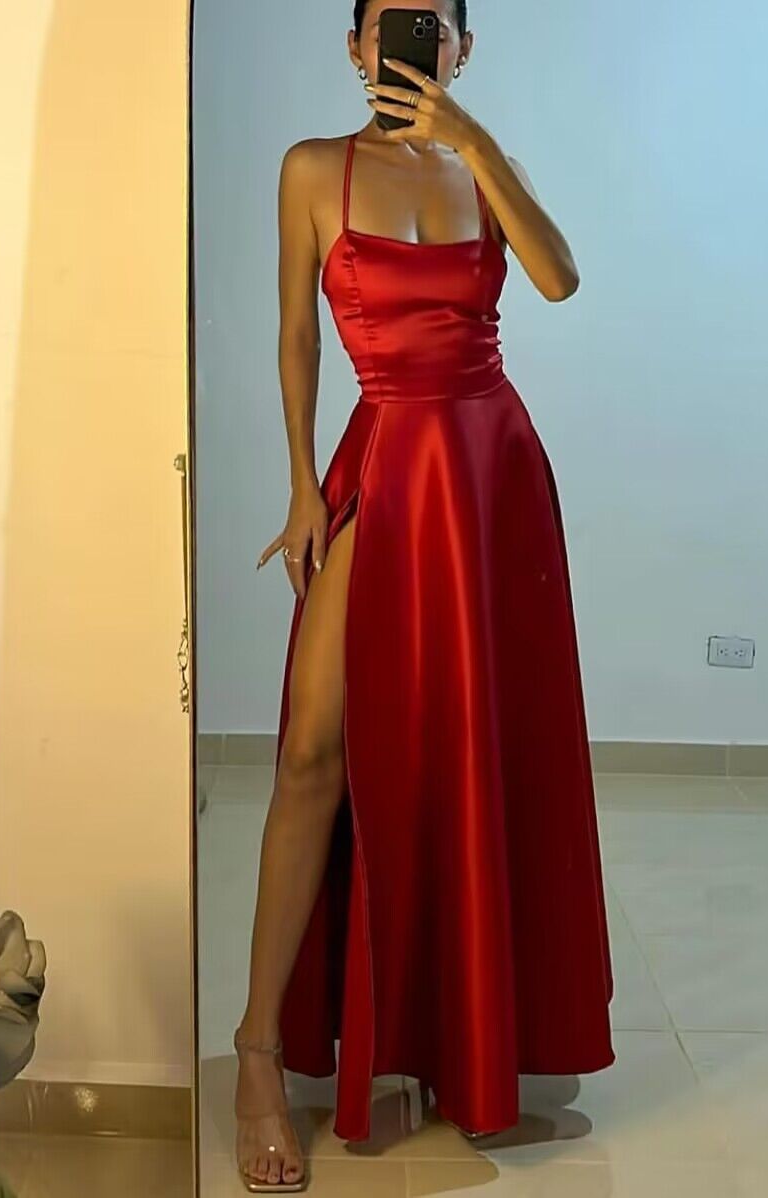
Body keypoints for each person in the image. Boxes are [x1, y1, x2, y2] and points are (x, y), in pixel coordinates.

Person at [232, 1, 614, 1190]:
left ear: (461, 48)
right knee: (314, 752)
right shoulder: (312, 168)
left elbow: (558, 280)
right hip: (384, 460)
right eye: (390, 24)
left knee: (471, 756)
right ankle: (257, 1051)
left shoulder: (483, 164)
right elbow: (296, 334)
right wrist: (303, 486)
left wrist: (475, 142)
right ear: (355, 47)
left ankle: (464, 1043)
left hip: (490, 469)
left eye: (432, 26)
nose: (410, 42)